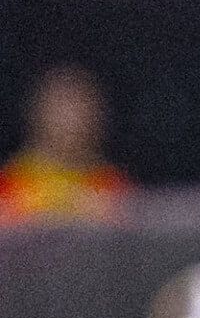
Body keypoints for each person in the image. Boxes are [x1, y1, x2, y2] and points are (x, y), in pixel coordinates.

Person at [0, 64, 132, 225]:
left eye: (80, 106)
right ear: (37, 113)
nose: (70, 119)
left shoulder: (111, 186)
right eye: (61, 106)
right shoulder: (10, 185)